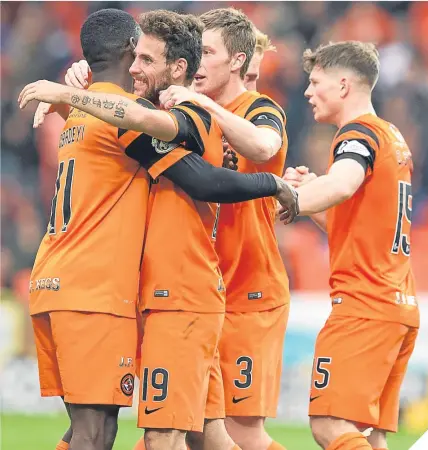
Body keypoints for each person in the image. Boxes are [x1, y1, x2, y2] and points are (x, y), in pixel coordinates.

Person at [20, 10, 299, 450]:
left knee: (160, 434)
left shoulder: (189, 115)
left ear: (180, 68)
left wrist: (274, 183)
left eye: (147, 60)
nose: (136, 69)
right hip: (140, 295)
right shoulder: (129, 114)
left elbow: (209, 174)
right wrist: (75, 90)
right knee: (199, 435)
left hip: (178, 296)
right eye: (135, 58)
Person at [158, 9, 290, 450]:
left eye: (208, 52)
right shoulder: (189, 114)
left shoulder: (260, 108)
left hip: (250, 290)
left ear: (236, 61)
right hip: (201, 291)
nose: (197, 63)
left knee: (241, 431)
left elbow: (263, 145)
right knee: (190, 426)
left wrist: (206, 105)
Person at [280, 41, 419, 450]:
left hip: (363, 307)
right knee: (370, 435)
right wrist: (310, 201)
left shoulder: (357, 134)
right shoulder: (391, 136)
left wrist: (283, 198)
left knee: (328, 425)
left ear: (343, 85)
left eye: (315, 81)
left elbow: (342, 183)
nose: (307, 91)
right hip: (397, 305)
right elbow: (359, 224)